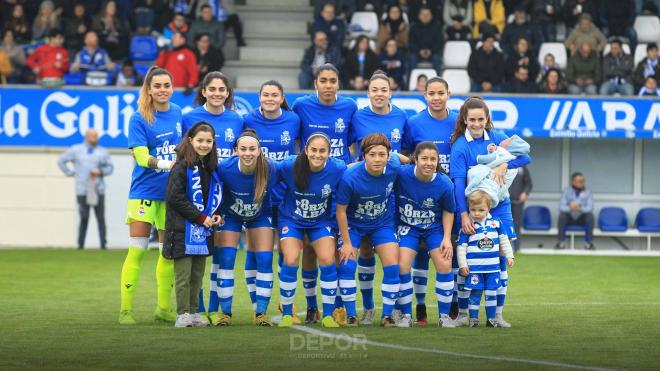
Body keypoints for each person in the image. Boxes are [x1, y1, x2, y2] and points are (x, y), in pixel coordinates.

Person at [450, 96, 531, 328]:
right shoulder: (460, 147)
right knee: (467, 260)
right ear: (465, 120)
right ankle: (465, 315)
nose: (476, 124)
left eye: (481, 119)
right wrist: (464, 214)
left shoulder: (497, 138)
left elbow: (526, 156)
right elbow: (457, 184)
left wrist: (505, 164)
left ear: (487, 120)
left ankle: (496, 316)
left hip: (500, 207)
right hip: (472, 209)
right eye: (472, 119)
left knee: (501, 259)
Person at [292, 63, 357, 325]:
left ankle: (339, 306)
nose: (328, 85)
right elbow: (295, 141)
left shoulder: (350, 106)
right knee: (309, 247)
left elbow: (352, 141)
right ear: (315, 83)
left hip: (340, 182)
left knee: (340, 244)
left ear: (338, 84)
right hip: (312, 183)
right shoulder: (301, 106)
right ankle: (311, 306)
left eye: (333, 81)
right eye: (323, 80)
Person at [119, 66, 182, 325]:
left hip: (171, 195)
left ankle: (163, 308)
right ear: (149, 89)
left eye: (166, 85)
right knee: (137, 251)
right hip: (144, 193)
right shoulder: (139, 117)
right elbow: (142, 157)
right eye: (157, 86)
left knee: (167, 253)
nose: (163, 90)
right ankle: (125, 310)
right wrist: (168, 165)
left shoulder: (178, 112)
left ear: (172, 87)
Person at [350, 70, 407, 324]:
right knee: (364, 252)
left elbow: (403, 154)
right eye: (375, 90)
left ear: (390, 92)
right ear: (368, 93)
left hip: (388, 197)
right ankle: (369, 307)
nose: (379, 94)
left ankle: (393, 311)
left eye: (384, 90)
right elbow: (352, 147)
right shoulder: (358, 116)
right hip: (361, 192)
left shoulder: (401, 116)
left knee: (392, 258)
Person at [403, 77, 459, 325]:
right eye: (431, 93)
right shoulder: (414, 123)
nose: (436, 97)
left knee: (450, 255)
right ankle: (419, 309)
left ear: (449, 94)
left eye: (441, 93)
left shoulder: (460, 120)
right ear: (424, 95)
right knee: (416, 258)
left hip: (452, 195)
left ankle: (453, 308)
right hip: (418, 198)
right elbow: (404, 155)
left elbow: (489, 138)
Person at [336, 134, 406, 327]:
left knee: (393, 265)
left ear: (388, 155)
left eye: (382, 154)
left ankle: (387, 315)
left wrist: (412, 161)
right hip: (354, 224)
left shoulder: (393, 164)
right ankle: (354, 314)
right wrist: (347, 243)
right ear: (363, 156)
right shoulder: (350, 177)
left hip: (382, 223)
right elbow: (340, 211)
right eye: (372, 154)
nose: (377, 159)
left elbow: (403, 159)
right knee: (347, 266)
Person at [277, 133, 346, 328]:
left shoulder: (337, 168)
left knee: (327, 259)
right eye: (313, 150)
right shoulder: (288, 165)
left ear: (329, 153)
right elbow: (267, 173)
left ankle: (328, 315)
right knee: (290, 258)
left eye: (322, 151)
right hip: (291, 220)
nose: (317, 154)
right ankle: (287, 314)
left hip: (320, 221)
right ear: (306, 150)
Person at [213, 129, 278, 326]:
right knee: (226, 259)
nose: (247, 153)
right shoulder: (224, 168)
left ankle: (261, 314)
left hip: (260, 216)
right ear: (236, 151)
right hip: (231, 216)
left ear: (259, 150)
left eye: (252, 149)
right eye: (243, 149)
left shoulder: (271, 168)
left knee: (265, 259)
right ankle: (225, 314)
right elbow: (213, 192)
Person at [163, 122, 222, 328]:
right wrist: (199, 217)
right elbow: (174, 198)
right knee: (183, 275)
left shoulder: (211, 169)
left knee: (197, 275)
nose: (204, 145)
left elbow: (214, 198)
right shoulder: (180, 166)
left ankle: (194, 311)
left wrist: (216, 215)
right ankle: (182, 313)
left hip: (203, 232)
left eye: (208, 141)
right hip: (181, 231)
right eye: (200, 141)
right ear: (190, 141)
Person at [394, 141, 456, 327]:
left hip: (434, 229)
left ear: (438, 161)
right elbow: (389, 154)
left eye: (433, 159)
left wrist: (446, 238)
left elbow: (448, 210)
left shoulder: (444, 183)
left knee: (445, 263)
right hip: (408, 227)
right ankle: (405, 315)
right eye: (424, 159)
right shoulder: (402, 174)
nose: (429, 163)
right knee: (402, 266)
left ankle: (444, 317)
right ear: (415, 160)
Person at [457, 190, 515, 327]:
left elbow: (504, 240)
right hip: (475, 269)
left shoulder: (496, 223)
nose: (477, 213)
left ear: (489, 208)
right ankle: (474, 319)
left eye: (481, 210)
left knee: (491, 293)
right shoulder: (468, 226)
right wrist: (462, 265)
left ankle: (491, 319)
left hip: (493, 268)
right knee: (475, 294)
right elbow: (461, 248)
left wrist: (509, 255)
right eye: (473, 210)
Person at [57, 129, 113, 250]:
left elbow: (110, 168)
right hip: (82, 189)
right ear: (87, 136)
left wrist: (101, 171)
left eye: (96, 136)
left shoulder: (102, 151)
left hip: (98, 190)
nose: (95, 138)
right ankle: (80, 245)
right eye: (93, 136)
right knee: (84, 217)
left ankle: (103, 245)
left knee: (100, 217)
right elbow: (61, 161)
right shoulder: (76, 150)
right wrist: (70, 173)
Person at [556, 172, 595, 250]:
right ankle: (561, 242)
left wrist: (579, 208)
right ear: (573, 182)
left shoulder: (588, 192)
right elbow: (561, 207)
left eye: (583, 181)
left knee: (590, 216)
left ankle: (588, 243)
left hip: (581, 218)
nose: (582, 183)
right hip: (569, 217)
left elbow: (590, 208)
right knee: (562, 215)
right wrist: (570, 208)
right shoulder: (566, 191)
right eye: (579, 181)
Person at [408, 6, 443, 75]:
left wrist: (431, 51)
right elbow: (410, 43)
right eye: (423, 14)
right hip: (417, 53)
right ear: (419, 16)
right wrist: (419, 51)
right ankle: (410, 81)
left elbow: (440, 42)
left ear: (431, 16)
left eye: (427, 14)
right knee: (412, 58)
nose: (425, 16)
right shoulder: (414, 27)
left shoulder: (437, 27)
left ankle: (439, 81)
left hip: (432, 52)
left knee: (437, 58)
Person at [509, 166, 532, 251]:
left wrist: (525, 193)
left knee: (516, 224)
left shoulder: (522, 167)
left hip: (517, 202)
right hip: (503, 202)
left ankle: (516, 247)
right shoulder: (502, 163)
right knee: (503, 224)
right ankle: (503, 248)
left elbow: (529, 184)